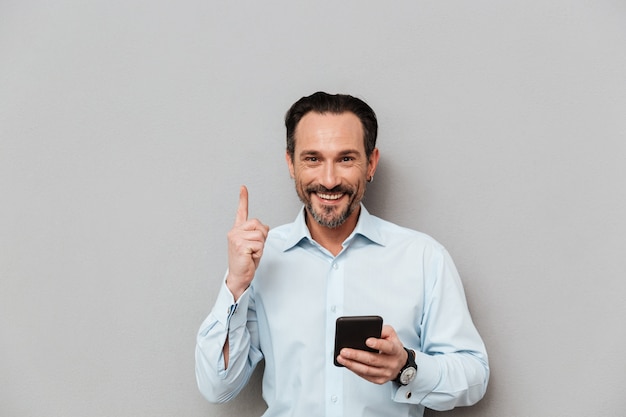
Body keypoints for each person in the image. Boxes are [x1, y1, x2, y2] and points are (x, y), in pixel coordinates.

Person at [195, 92, 489, 417]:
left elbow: (474, 377)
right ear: (290, 163)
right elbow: (216, 386)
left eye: (346, 159)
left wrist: (406, 367)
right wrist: (236, 284)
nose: (329, 179)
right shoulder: (259, 261)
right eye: (313, 159)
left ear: (371, 163)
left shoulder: (423, 258)